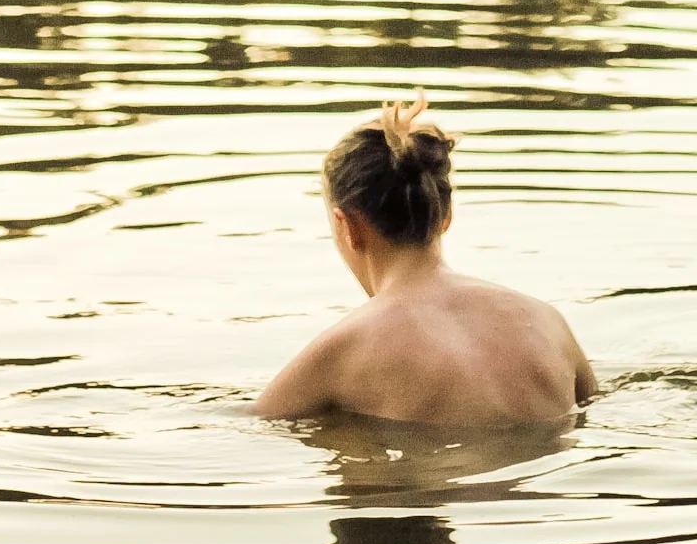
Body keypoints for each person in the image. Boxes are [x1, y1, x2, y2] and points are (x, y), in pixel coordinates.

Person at [254, 97, 594, 426]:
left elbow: (251, 428)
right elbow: (592, 406)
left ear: (348, 227)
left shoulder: (344, 350)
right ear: (446, 215)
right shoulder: (548, 322)